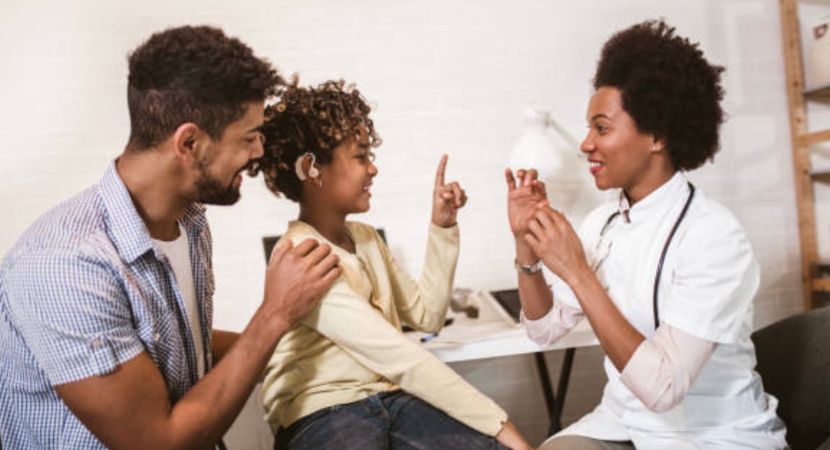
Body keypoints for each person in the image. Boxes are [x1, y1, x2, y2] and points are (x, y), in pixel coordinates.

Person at [0, 26, 341, 449]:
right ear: (190, 142)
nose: (257, 153)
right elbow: (159, 442)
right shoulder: (64, 265)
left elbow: (177, 345)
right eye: (248, 138)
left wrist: (313, 343)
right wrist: (275, 314)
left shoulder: (190, 222)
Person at [506, 20, 787, 449]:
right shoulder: (602, 223)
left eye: (601, 128)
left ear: (656, 135)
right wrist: (525, 244)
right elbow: (542, 330)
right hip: (622, 425)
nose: (585, 144)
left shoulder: (714, 236)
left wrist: (578, 272)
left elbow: (663, 388)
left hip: (711, 437)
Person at [256, 79, 531, 450]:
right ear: (311, 167)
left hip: (390, 398)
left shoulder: (366, 239)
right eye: (360, 156)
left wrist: (443, 227)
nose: (373, 170)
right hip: (322, 412)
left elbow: (427, 315)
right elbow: (398, 356)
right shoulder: (302, 255)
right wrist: (501, 425)